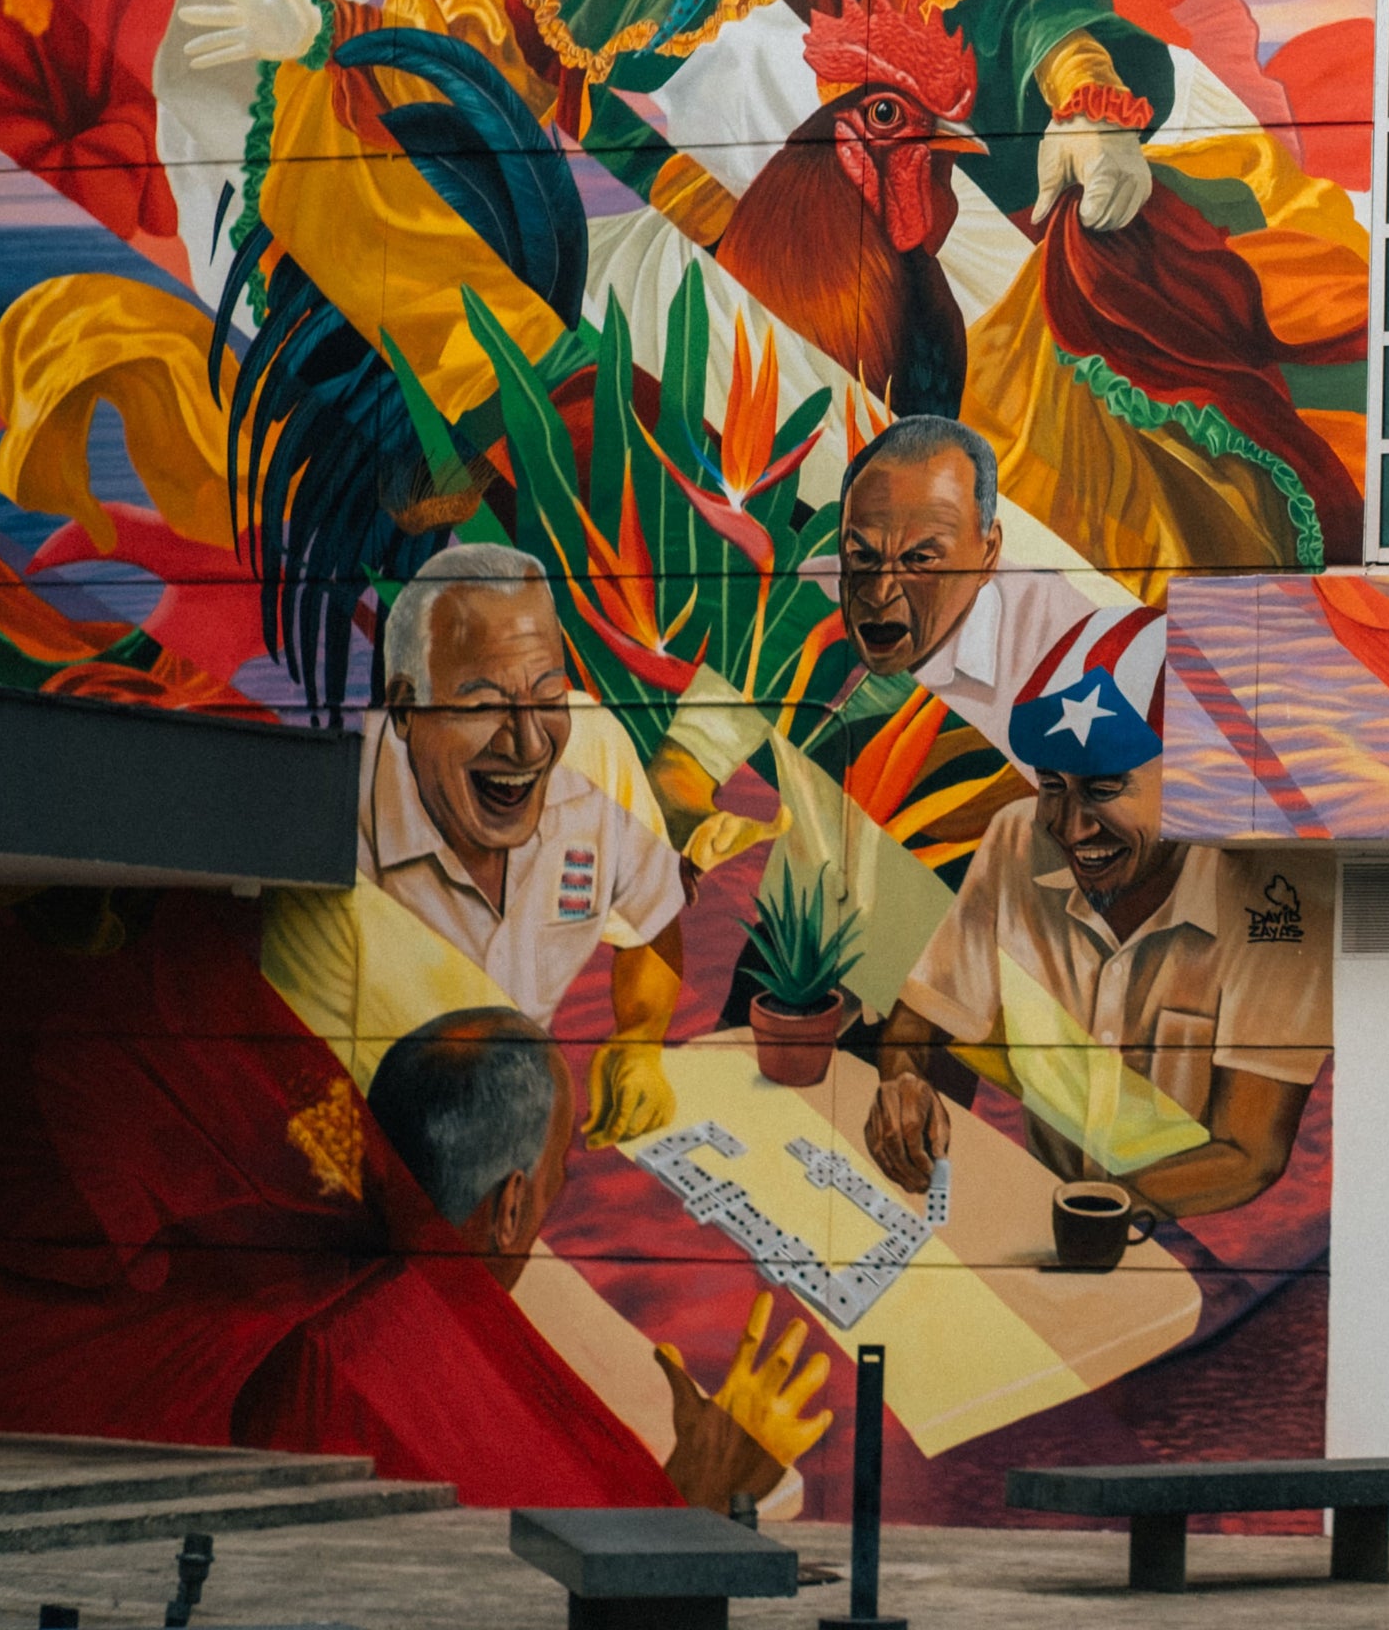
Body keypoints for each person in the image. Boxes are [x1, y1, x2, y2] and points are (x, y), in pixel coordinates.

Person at [234, 1007, 832, 1509]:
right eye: (557, 1172)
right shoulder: (481, 1412)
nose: (561, 1187)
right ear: (511, 1205)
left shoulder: (304, 1351)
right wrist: (705, 1489)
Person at [858, 595, 1327, 1218]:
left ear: (1190, 776)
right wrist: (902, 1079)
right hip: (1052, 1219)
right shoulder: (1017, 840)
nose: (1069, 827)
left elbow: (1250, 1153)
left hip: (1195, 1245)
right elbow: (916, 1023)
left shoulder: (1277, 897)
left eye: (1104, 788)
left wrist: (1083, 1217)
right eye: (1052, 786)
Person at [363, 544, 685, 1145]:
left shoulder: (595, 752)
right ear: (406, 709)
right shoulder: (347, 817)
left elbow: (654, 917)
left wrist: (640, 1039)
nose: (531, 744)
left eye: (548, 695)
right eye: (484, 705)